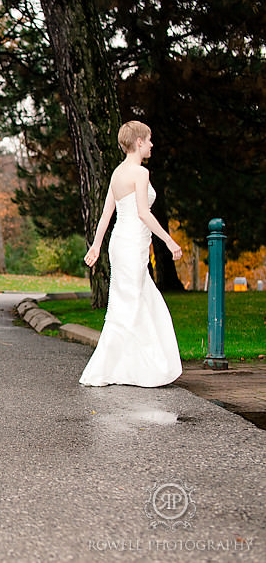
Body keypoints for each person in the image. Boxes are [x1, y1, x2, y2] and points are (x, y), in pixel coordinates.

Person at [80, 121, 183, 387]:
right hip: (131, 243)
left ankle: (126, 368)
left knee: (130, 303)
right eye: (149, 140)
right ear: (138, 142)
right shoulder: (140, 173)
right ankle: (138, 368)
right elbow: (143, 212)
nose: (151, 144)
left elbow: (106, 214)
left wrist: (96, 244)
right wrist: (170, 241)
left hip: (121, 244)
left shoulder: (117, 173)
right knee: (134, 303)